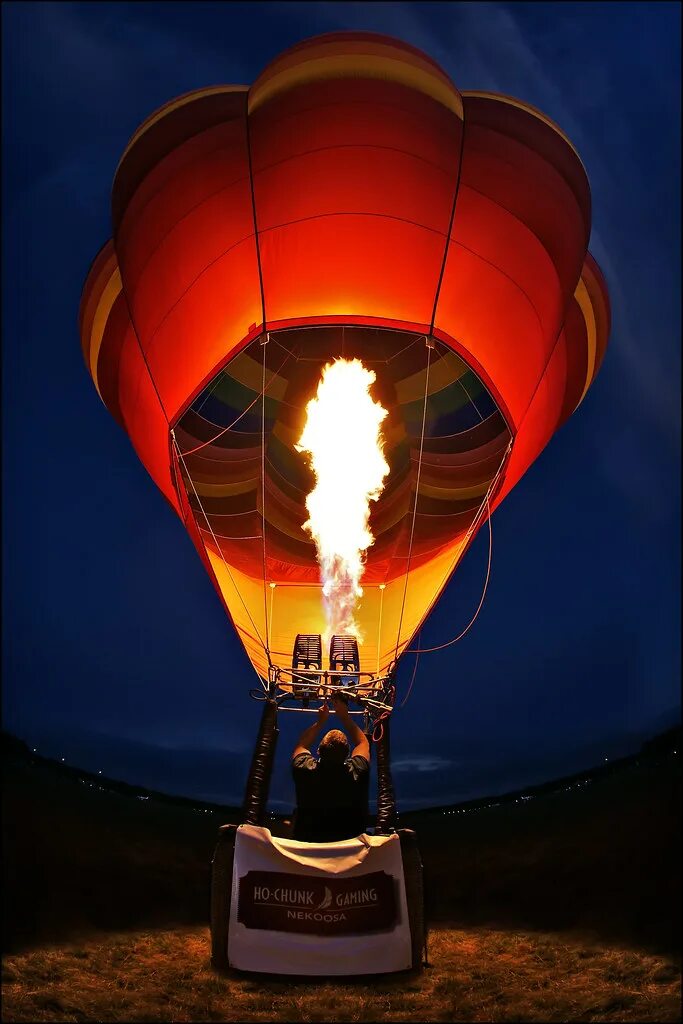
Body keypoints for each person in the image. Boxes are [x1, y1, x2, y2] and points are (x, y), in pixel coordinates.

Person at [291, 693, 370, 843]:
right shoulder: (357, 772)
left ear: (318, 751)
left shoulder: (304, 769)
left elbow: (301, 745)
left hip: (309, 851)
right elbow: (363, 743)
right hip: (348, 854)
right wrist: (344, 716)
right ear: (348, 755)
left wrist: (320, 722)